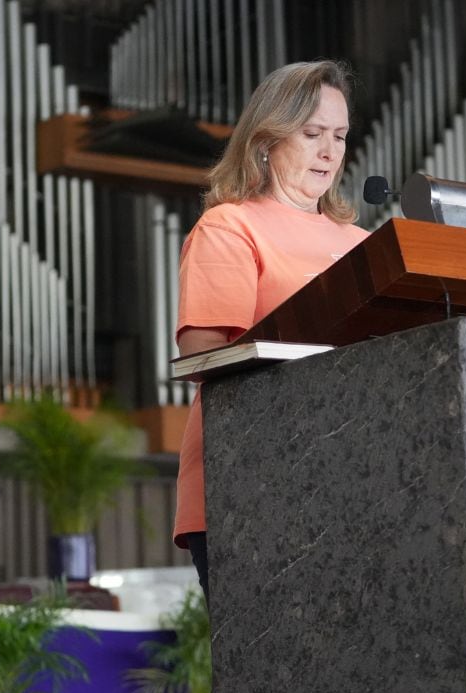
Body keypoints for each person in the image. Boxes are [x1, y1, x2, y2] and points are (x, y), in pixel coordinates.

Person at [174, 59, 370, 610]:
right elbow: (205, 357)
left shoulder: (364, 244)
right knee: (262, 683)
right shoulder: (231, 226)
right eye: (311, 135)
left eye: (339, 136)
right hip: (253, 484)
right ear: (266, 140)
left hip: (355, 478)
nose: (329, 152)